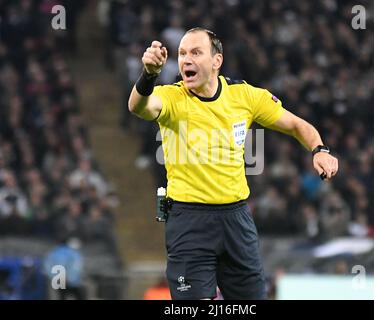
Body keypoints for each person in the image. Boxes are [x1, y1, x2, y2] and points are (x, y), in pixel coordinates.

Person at [128, 27, 338, 300]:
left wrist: (319, 149)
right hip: (189, 221)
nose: (186, 60)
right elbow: (138, 106)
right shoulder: (171, 96)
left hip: (236, 220)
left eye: (195, 52)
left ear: (217, 61)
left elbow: (296, 124)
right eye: (181, 54)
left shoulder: (244, 96)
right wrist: (149, 75)